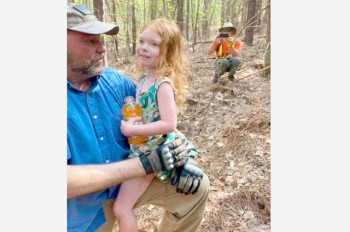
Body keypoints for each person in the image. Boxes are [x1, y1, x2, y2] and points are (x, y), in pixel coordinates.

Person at [67, 3, 210, 232]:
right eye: (90, 40)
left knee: (196, 188)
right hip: (81, 206)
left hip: (132, 176)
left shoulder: (116, 82)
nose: (103, 49)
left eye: (101, 39)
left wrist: (182, 154)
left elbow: (159, 118)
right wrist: (143, 164)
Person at [112, 18, 200, 232]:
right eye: (141, 41)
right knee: (121, 208)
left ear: (168, 52)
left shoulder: (163, 84)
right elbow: (149, 114)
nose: (144, 48)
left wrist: (134, 130)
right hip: (139, 148)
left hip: (151, 156)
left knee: (122, 209)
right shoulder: (143, 80)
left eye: (154, 44)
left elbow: (169, 124)